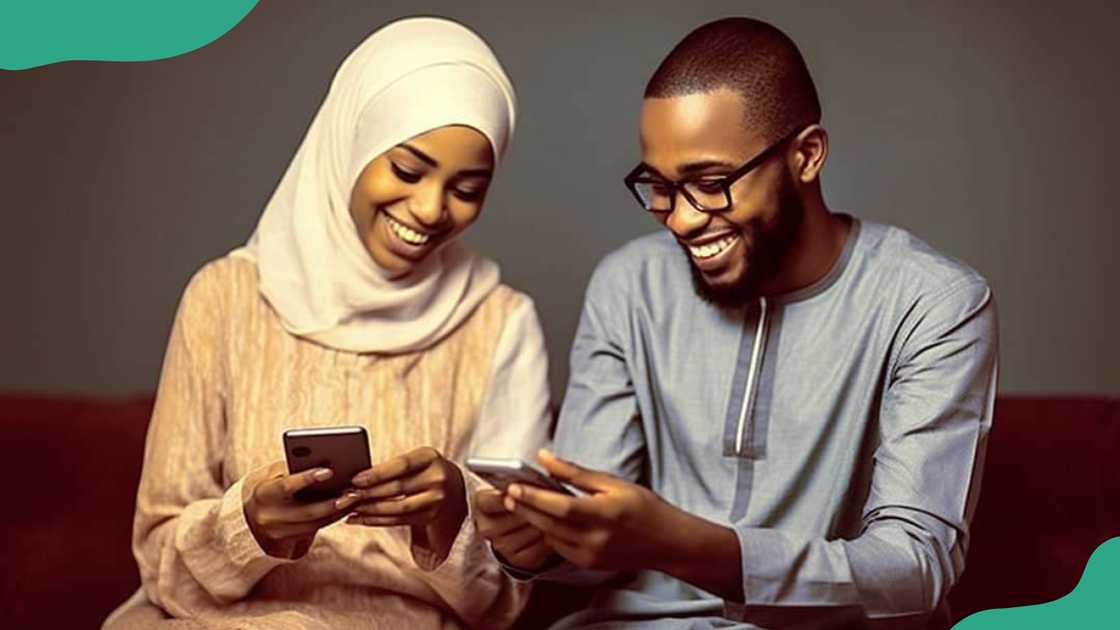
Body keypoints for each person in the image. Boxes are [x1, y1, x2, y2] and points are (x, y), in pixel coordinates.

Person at [473, 16, 998, 630]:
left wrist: (682, 544)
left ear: (806, 155)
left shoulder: (934, 302)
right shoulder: (629, 286)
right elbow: (595, 539)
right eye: (660, 186)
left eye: (710, 183)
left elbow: (913, 567)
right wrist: (538, 545)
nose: (680, 219)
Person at [103, 16, 551, 630]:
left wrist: (451, 514)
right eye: (407, 170)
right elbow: (159, 559)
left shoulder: (501, 323)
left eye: (468, 188)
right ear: (351, 142)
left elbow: (503, 602)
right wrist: (250, 524)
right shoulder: (224, 298)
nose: (430, 209)